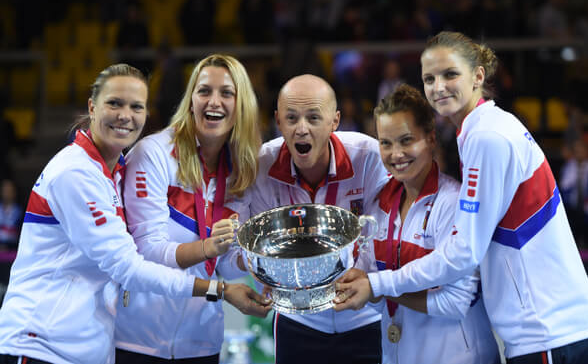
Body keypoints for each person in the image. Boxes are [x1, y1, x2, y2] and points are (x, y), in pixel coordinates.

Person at [334, 31, 588, 363]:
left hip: (546, 330)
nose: (438, 86)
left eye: (450, 74)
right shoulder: (478, 132)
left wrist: (378, 283)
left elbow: (463, 253)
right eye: (429, 78)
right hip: (545, 329)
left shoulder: (486, 137)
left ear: (478, 76)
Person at [0, 64, 270, 364]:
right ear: (92, 107)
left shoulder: (111, 174)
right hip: (44, 343)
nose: (125, 115)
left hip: (92, 346)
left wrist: (261, 257)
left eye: (136, 106)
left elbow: (228, 264)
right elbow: (131, 264)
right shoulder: (77, 173)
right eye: (114, 103)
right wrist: (218, 286)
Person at [114, 54, 268, 363]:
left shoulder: (242, 170)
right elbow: (148, 252)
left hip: (201, 343)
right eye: (204, 91)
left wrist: (257, 257)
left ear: (242, 106)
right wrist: (209, 247)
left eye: (226, 92)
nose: (214, 101)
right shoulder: (154, 154)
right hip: (138, 340)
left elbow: (224, 264)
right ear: (191, 100)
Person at [351, 84, 499, 364]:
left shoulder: (454, 202)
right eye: (386, 143)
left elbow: (456, 302)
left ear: (431, 139)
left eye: (407, 140)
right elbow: (367, 276)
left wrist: (377, 286)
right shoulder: (379, 205)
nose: (396, 154)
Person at [250, 74, 390, 364]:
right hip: (299, 322)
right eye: (291, 118)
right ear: (278, 121)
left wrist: (362, 277)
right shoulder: (262, 165)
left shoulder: (369, 157)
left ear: (334, 121)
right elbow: (254, 243)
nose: (301, 129)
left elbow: (383, 233)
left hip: (365, 319)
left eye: (314, 117)